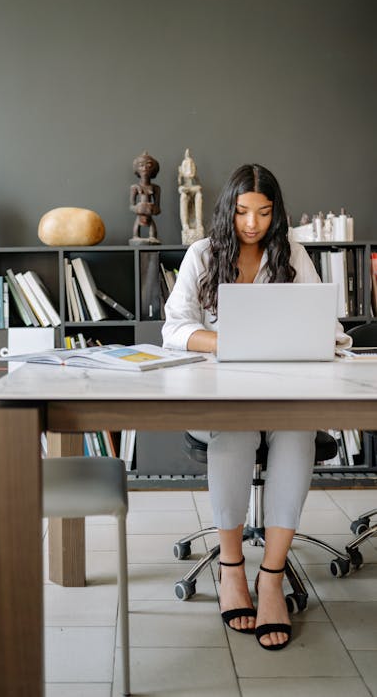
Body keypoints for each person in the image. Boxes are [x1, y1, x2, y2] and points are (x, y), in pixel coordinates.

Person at [162, 163, 351, 651]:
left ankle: (270, 576)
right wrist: (227, 341)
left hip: (284, 397)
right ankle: (231, 569)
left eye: (264, 213)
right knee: (236, 428)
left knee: (296, 430)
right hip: (221, 402)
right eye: (243, 212)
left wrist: (307, 340)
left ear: (276, 213)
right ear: (229, 209)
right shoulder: (202, 255)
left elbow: (331, 331)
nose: (252, 224)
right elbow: (174, 330)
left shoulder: (293, 255)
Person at [129, 151, 161, 244]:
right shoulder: (134, 188)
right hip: (139, 215)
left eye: (149, 165)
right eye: (141, 165)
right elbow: (131, 206)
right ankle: (136, 235)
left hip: (149, 216)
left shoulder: (156, 188)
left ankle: (152, 236)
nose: (145, 168)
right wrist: (139, 208)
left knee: (153, 237)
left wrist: (151, 208)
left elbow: (158, 209)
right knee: (136, 233)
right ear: (136, 168)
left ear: (154, 168)